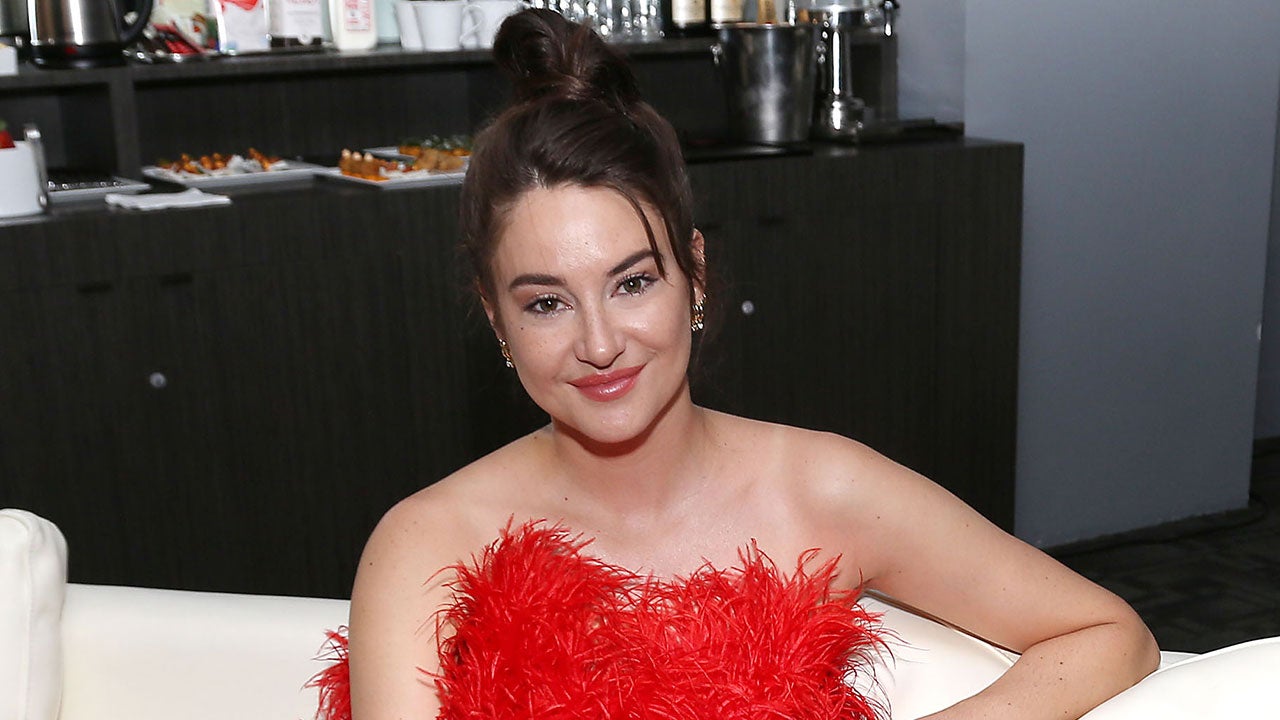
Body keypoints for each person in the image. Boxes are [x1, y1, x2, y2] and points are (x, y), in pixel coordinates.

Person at [333, 8, 1159, 720]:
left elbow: (1107, 633)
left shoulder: (824, 488)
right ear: (496, 317)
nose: (599, 343)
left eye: (632, 283)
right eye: (546, 302)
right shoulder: (430, 543)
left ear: (692, 272)